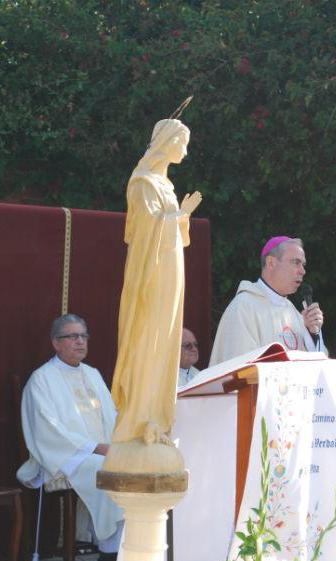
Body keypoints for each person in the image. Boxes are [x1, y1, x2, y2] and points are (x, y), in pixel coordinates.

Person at [110, 118, 201, 444]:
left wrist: (181, 217)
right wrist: (181, 215)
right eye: (182, 143)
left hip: (172, 270)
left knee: (166, 341)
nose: (185, 151)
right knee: (148, 339)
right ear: (167, 141)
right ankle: (138, 419)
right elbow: (144, 232)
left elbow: (175, 233)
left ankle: (159, 420)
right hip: (151, 274)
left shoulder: (165, 185)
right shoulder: (143, 182)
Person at [17, 314, 123, 561]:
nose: (80, 341)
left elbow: (111, 416)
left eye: (84, 336)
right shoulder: (42, 379)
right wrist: (95, 447)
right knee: (108, 469)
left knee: (128, 465)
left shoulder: (92, 374)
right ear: (56, 343)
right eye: (73, 336)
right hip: (63, 456)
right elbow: (47, 429)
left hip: (99, 453)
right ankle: (109, 559)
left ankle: (125, 550)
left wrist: (120, 443)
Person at [209, 236, 327, 366]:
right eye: (296, 262)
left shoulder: (292, 312)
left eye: (303, 265)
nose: (303, 271)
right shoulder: (243, 308)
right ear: (271, 263)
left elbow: (317, 365)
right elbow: (240, 369)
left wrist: (312, 334)